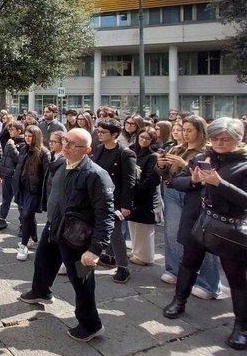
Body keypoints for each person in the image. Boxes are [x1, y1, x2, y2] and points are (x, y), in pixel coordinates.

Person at [17, 128, 114, 342]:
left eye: (73, 144)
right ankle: (40, 291)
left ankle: (91, 324)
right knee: (43, 262)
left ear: (87, 150)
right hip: (55, 228)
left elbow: (105, 216)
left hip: (78, 239)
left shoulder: (97, 176)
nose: (66, 147)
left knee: (82, 280)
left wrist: (95, 248)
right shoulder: (61, 164)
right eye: (66, 141)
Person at [161, 118, 247, 351]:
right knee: (188, 263)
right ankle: (179, 301)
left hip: (229, 228)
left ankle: (241, 326)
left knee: (237, 276)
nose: (219, 143)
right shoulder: (201, 158)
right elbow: (175, 183)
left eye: (225, 139)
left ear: (238, 140)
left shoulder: (243, 165)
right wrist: (194, 180)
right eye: (215, 138)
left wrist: (220, 184)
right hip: (197, 221)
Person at [156, 115, 221, 297]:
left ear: (200, 132)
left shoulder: (206, 152)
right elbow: (167, 174)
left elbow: (201, 174)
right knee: (172, 233)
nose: (184, 134)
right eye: (183, 130)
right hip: (173, 190)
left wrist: (184, 164)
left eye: (189, 130)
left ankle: (209, 282)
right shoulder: (176, 148)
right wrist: (161, 165)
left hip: (197, 195)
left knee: (203, 236)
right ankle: (174, 269)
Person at [92, 118, 137, 284]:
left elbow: (129, 182)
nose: (100, 134)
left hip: (116, 199)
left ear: (115, 134)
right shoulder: (99, 149)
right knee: (107, 229)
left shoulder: (125, 153)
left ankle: (123, 267)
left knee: (116, 232)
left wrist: (126, 206)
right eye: (99, 131)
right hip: (100, 196)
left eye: (104, 132)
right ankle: (109, 256)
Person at [13, 125, 50, 261]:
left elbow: (47, 175)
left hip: (35, 189)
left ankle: (23, 245)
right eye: (26, 136)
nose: (28, 139)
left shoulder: (44, 153)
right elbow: (19, 166)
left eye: (30, 136)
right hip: (22, 186)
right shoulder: (23, 149)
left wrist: (46, 195)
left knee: (27, 214)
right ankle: (33, 238)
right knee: (26, 214)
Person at [128, 126, 161, 266]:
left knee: (144, 227)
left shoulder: (153, 155)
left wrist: (138, 189)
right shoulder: (133, 151)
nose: (143, 141)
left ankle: (145, 256)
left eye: (147, 139)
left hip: (146, 196)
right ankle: (137, 251)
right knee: (134, 225)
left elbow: (152, 179)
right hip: (135, 194)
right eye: (141, 137)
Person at [0, 121, 25, 230]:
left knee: (20, 202)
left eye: (12, 129)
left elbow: (19, 159)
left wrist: (12, 146)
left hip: (16, 177)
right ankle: (2, 219)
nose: (10, 131)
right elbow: (4, 159)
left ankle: (23, 224)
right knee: (5, 199)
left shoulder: (23, 143)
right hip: (7, 175)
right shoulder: (10, 142)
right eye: (9, 129)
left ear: (19, 131)